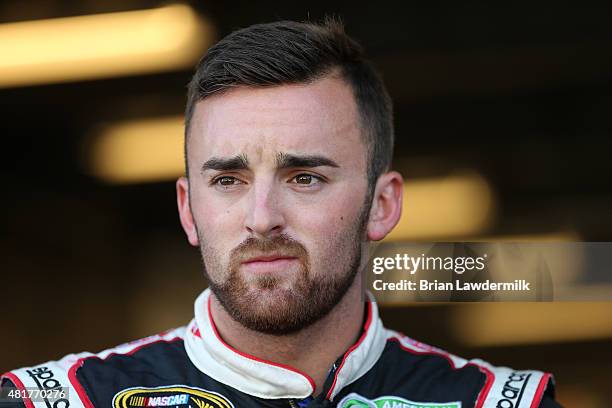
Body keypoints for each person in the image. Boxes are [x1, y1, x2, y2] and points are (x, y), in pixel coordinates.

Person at [1, 19, 560, 408]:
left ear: (382, 205)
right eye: (227, 180)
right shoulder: (61, 398)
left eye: (305, 178)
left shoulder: (503, 401)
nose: (262, 216)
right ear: (188, 210)